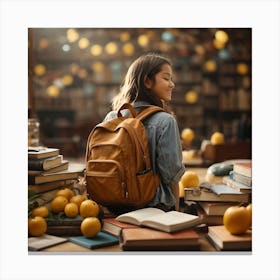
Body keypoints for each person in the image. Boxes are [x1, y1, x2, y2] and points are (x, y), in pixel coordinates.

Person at [103, 53, 185, 211]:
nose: (172, 84)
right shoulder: (165, 121)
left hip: (116, 205)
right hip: (155, 208)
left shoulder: (112, 117)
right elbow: (172, 176)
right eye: (166, 78)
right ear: (147, 81)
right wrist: (176, 212)